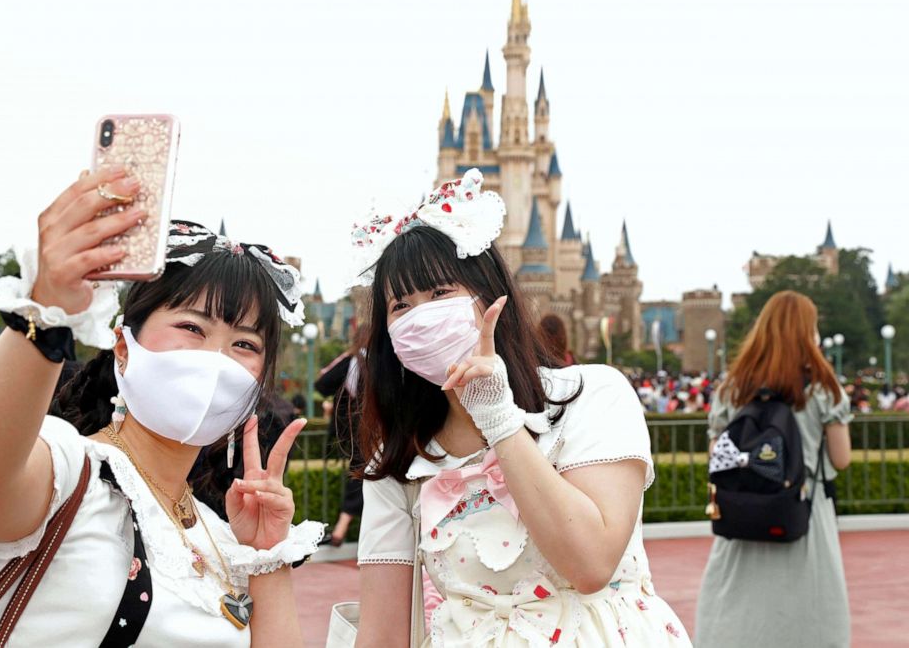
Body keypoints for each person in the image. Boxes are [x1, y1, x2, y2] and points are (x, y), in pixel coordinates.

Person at [0, 167, 322, 646]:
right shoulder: (68, 472)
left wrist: (267, 555)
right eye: (192, 328)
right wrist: (47, 311)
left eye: (245, 345)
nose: (216, 359)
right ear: (123, 348)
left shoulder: (219, 536)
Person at [351, 169, 690, 647]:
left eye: (441, 293)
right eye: (400, 306)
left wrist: (499, 420)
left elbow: (591, 563)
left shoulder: (592, 394)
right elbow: (382, 634)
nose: (422, 316)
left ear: (493, 299)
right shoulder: (402, 459)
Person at [695, 291, 852, 648]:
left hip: (744, 513)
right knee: (809, 610)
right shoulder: (822, 388)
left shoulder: (732, 389)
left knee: (738, 606)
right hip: (803, 513)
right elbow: (841, 459)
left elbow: (717, 457)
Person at [315, 324, 371, 546]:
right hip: (382, 432)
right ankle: (347, 527)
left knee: (359, 475)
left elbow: (322, 385)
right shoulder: (386, 362)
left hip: (357, 432)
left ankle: (342, 526)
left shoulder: (352, 363)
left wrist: (347, 355)